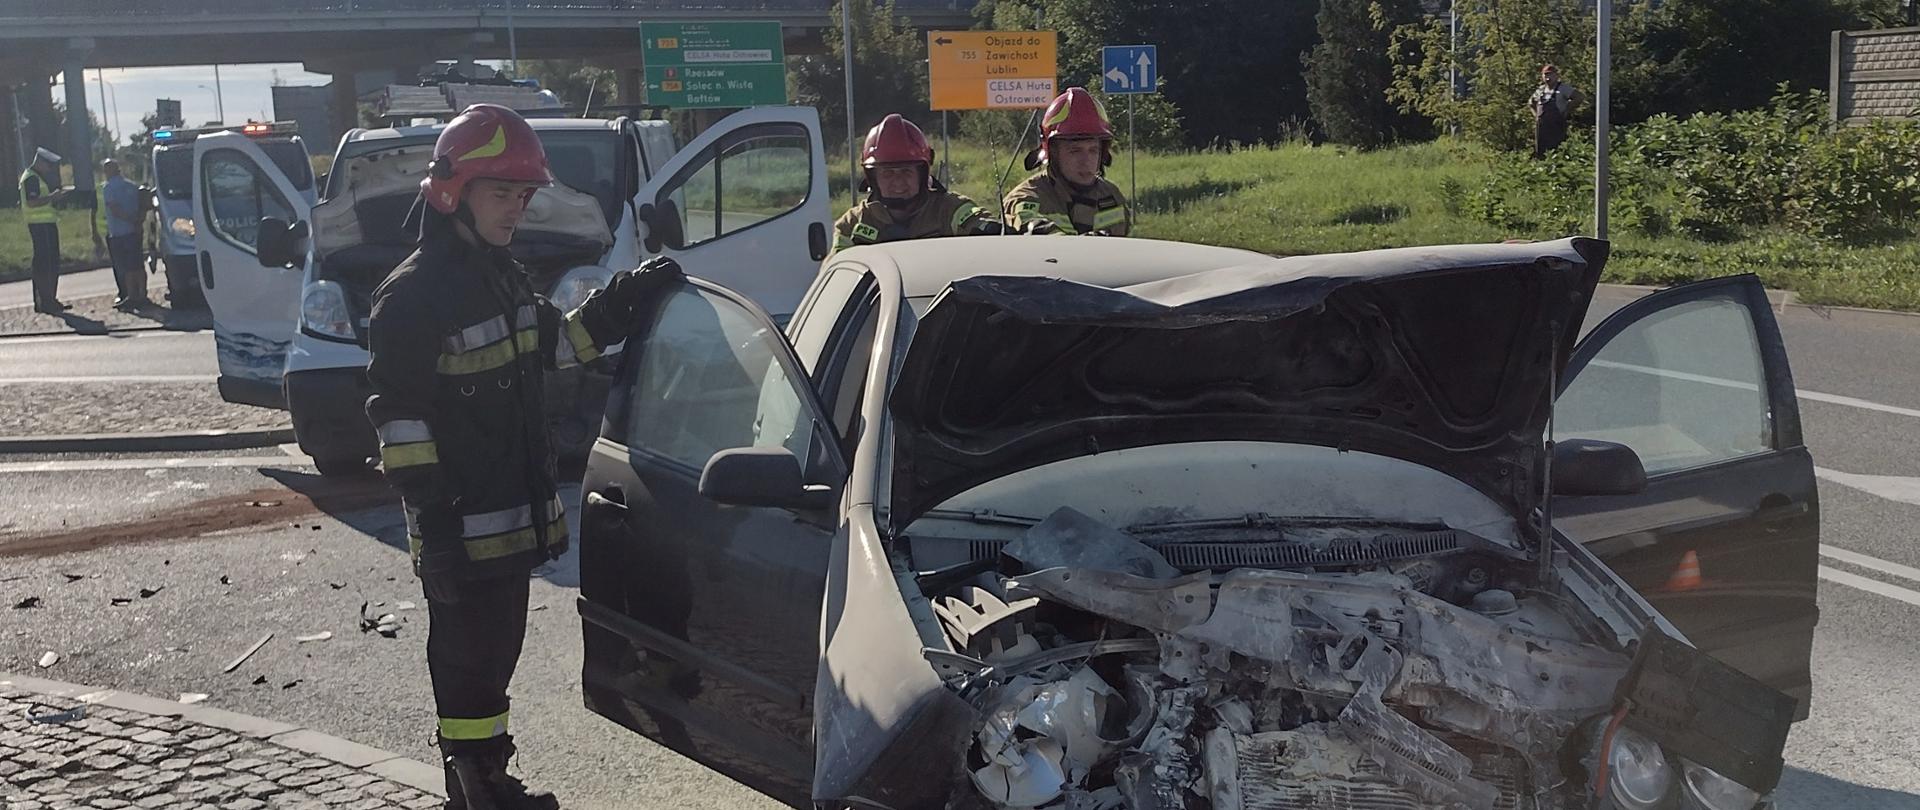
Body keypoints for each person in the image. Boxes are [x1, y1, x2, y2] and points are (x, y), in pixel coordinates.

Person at [362, 104, 679, 810]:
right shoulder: (413, 296)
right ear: (454, 192)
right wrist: (435, 529)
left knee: (493, 660)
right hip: (461, 528)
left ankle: (488, 782)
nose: (516, 209)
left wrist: (622, 303)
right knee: (467, 663)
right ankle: (472, 789)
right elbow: (399, 419)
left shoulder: (497, 274)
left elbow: (555, 345)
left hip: (506, 523)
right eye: (502, 194)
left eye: (524, 196)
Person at [832, 113, 999, 252]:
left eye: (906, 171)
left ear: (922, 173)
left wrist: (990, 229)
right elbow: (837, 278)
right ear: (873, 177)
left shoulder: (950, 209)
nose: (898, 182)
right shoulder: (853, 224)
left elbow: (979, 222)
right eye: (888, 173)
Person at [1003, 88, 1133, 237]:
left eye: (1093, 151)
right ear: (1053, 153)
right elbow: (1029, 225)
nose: (1086, 162)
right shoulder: (1026, 198)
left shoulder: (1111, 195)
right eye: (1075, 151)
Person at [19, 147, 70, 314]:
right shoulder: (31, 178)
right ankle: (45, 301)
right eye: (48, 165)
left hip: (45, 223)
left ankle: (49, 300)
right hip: (40, 224)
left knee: (50, 262)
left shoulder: (35, 176)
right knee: (45, 263)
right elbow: (33, 202)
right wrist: (52, 197)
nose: (49, 168)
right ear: (40, 162)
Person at [100, 159, 149, 310]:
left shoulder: (108, 188)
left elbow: (114, 209)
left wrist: (130, 220)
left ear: (108, 171)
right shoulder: (132, 185)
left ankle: (132, 295)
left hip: (119, 232)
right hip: (135, 231)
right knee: (138, 264)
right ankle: (142, 293)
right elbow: (143, 205)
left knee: (127, 267)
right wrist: (137, 221)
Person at [1529, 64, 1580, 159]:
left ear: (1556, 75)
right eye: (1546, 75)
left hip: (1556, 125)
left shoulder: (1563, 88)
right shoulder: (1540, 90)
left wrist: (1567, 109)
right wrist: (1536, 116)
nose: (1548, 77)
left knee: (1558, 150)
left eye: (1550, 74)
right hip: (1542, 128)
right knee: (1541, 152)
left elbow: (1579, 97)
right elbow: (1531, 103)